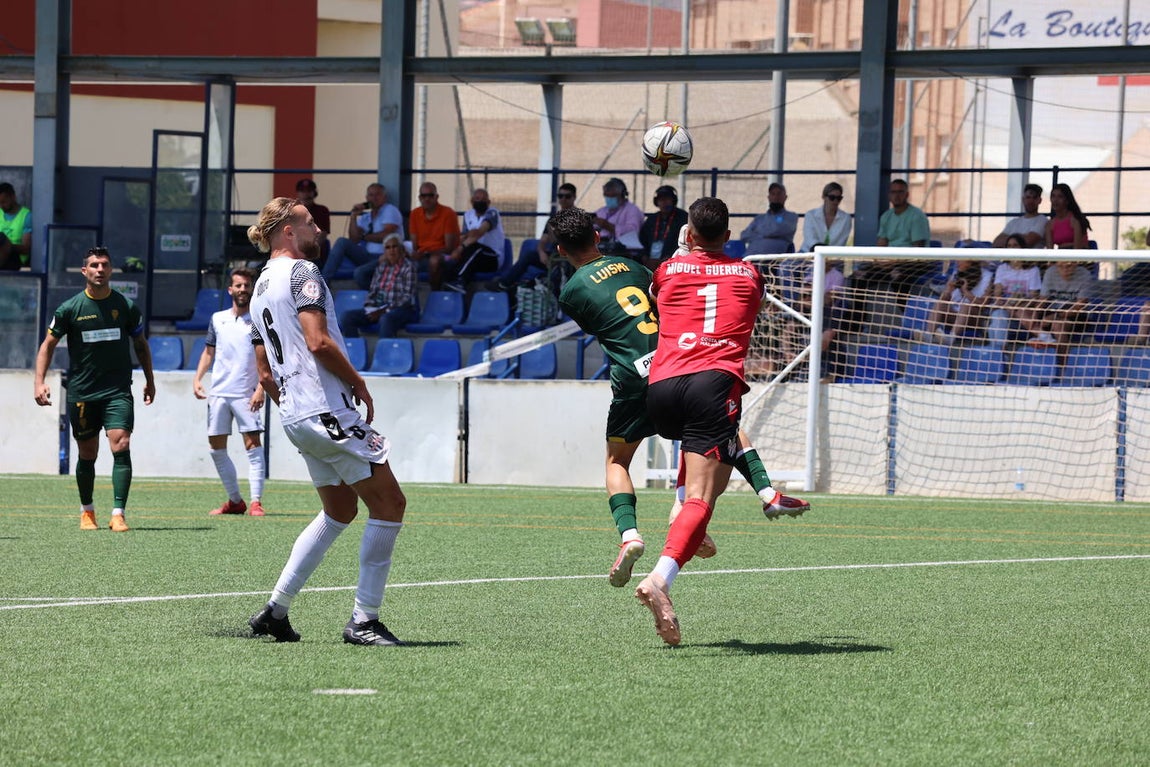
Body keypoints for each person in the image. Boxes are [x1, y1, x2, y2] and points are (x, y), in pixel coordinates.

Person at [554, 208, 805, 594]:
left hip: (638, 381)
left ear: (560, 250)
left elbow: (605, 323)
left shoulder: (571, 292)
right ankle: (759, 494)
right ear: (599, 237)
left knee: (617, 461)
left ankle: (630, 535)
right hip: (674, 363)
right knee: (721, 431)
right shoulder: (632, 266)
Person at [245, 196, 407, 647]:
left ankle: (276, 610)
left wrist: (297, 407)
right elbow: (318, 342)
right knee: (389, 504)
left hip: (296, 414)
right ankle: (364, 620)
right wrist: (357, 383)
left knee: (340, 510)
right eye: (310, 223)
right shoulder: (303, 273)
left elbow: (263, 372)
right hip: (325, 408)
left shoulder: (258, 287)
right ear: (288, 231)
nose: (319, 230)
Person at [636, 197, 765, 645]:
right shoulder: (749, 274)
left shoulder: (667, 270)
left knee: (698, 467)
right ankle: (660, 578)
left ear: (687, 235)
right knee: (703, 497)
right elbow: (744, 305)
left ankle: (690, 526)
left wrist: (682, 254)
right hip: (714, 383)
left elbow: (658, 297)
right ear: (728, 237)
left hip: (662, 389)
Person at [32, 246, 155, 532]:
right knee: (88, 452)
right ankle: (87, 511)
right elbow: (47, 345)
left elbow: (140, 344)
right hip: (83, 393)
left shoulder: (125, 306)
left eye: (105, 265)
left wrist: (149, 379)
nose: (100, 269)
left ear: (111, 270)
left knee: (121, 443)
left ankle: (118, 513)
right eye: (94, 265)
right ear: (84, 271)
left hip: (117, 391)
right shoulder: (69, 309)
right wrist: (39, 381)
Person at [192, 267, 267, 517]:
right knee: (216, 448)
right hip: (219, 393)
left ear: (252, 289)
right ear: (230, 289)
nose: (243, 290)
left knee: (253, 446)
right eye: (238, 285)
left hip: (247, 393)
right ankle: (235, 501)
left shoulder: (259, 319)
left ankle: (256, 501)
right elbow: (209, 351)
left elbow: (267, 359)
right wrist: (197, 378)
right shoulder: (218, 318)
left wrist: (261, 388)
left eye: (247, 285)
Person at [498, 182, 577, 291]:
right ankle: (505, 284)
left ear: (574, 198)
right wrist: (541, 252)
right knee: (529, 255)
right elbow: (543, 240)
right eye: (560, 196)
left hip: (569, 259)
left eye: (567, 196)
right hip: (554, 256)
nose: (563, 199)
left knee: (561, 270)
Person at [321, 183, 404, 285]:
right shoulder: (366, 217)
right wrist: (353, 217)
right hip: (367, 256)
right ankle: (323, 283)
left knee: (359, 273)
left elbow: (387, 236)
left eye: (377, 194)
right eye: (371, 195)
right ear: (366, 198)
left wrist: (364, 237)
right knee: (342, 242)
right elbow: (354, 239)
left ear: (384, 197)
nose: (374, 198)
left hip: (385, 256)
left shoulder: (390, 210)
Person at [339, 233, 418, 338]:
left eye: (394, 246)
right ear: (384, 252)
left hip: (404, 310)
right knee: (347, 317)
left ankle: (384, 352)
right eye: (388, 248)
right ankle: (353, 351)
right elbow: (373, 292)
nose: (391, 250)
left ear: (401, 249)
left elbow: (407, 298)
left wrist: (383, 311)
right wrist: (371, 308)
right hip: (380, 308)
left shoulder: (409, 267)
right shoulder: (381, 267)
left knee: (385, 318)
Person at [444, 188, 505, 292]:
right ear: (472, 201)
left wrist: (461, 247)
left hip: (492, 257)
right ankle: (448, 282)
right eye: (477, 199)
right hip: (474, 255)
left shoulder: (493, 213)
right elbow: (464, 236)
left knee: (475, 248)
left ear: (488, 202)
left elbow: (479, 232)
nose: (480, 202)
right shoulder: (468, 215)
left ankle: (460, 281)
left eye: (483, 199)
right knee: (459, 256)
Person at [991, 235, 1043, 343]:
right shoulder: (1002, 268)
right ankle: (1000, 352)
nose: (1012, 248)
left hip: (1024, 309)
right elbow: (997, 295)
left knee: (1017, 314)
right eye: (1009, 246)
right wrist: (1008, 306)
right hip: (1005, 308)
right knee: (998, 317)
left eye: (1015, 245)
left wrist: (1017, 306)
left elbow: (1034, 297)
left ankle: (997, 353)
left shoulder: (1033, 270)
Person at [408, 181, 460, 289]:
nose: (427, 199)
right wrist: (415, 254)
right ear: (419, 197)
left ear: (437, 197)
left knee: (434, 260)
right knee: (393, 256)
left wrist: (425, 253)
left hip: (446, 257)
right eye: (423, 195)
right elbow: (415, 246)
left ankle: (435, 295)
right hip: (423, 255)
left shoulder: (448, 213)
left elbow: (449, 248)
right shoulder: (414, 214)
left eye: (430, 195)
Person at [740, 181, 798, 255]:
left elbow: (779, 230)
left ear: (785, 197)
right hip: (750, 257)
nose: (776, 197)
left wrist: (758, 233)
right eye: (773, 194)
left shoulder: (791, 216)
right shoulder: (759, 218)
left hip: (772, 261)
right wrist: (768, 234)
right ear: (769, 197)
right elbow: (744, 235)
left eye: (779, 194)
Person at [639, 185, 688, 270]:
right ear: (656, 202)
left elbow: (684, 243)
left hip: (673, 263)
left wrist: (667, 259)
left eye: (667, 199)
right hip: (649, 263)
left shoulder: (683, 218)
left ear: (673, 201)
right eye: (661, 200)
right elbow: (642, 240)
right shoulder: (652, 219)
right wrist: (645, 258)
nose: (665, 202)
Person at [593, 178, 644, 253]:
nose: (609, 199)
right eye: (607, 196)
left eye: (613, 196)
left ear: (623, 195)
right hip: (602, 248)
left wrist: (608, 226)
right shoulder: (602, 211)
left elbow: (632, 231)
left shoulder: (632, 210)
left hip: (625, 252)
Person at [990, 183, 1048, 249]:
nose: (1031, 201)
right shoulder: (1013, 222)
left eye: (1034, 198)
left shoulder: (1042, 220)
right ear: (1023, 199)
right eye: (1028, 197)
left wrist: (1009, 238)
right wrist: (1022, 237)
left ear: (1039, 200)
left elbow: (1028, 241)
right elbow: (997, 243)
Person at [800, 181, 853, 253]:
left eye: (839, 198)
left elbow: (841, 243)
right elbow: (810, 239)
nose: (835, 201)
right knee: (786, 264)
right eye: (832, 197)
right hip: (808, 253)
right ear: (823, 197)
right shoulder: (811, 215)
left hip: (833, 257)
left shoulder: (846, 219)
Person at [295, 178, 331, 265]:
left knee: (324, 245)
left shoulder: (322, 210)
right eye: (303, 191)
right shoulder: (292, 210)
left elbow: (323, 234)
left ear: (314, 193)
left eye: (309, 191)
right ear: (298, 193)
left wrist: (309, 250)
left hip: (314, 247)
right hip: (295, 246)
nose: (306, 194)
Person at [1045, 183, 1091, 250]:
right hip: (1060, 257)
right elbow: (1049, 251)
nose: (1055, 200)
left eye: (1060, 196)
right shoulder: (1049, 225)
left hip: (1079, 256)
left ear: (1067, 200)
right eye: (1053, 196)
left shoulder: (1075, 220)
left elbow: (1077, 249)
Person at [0, 181, 32, 271]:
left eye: (4, 202)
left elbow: (26, 249)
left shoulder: (26, 216)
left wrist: (7, 246)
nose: (1, 206)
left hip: (15, 257)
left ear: (13, 197)